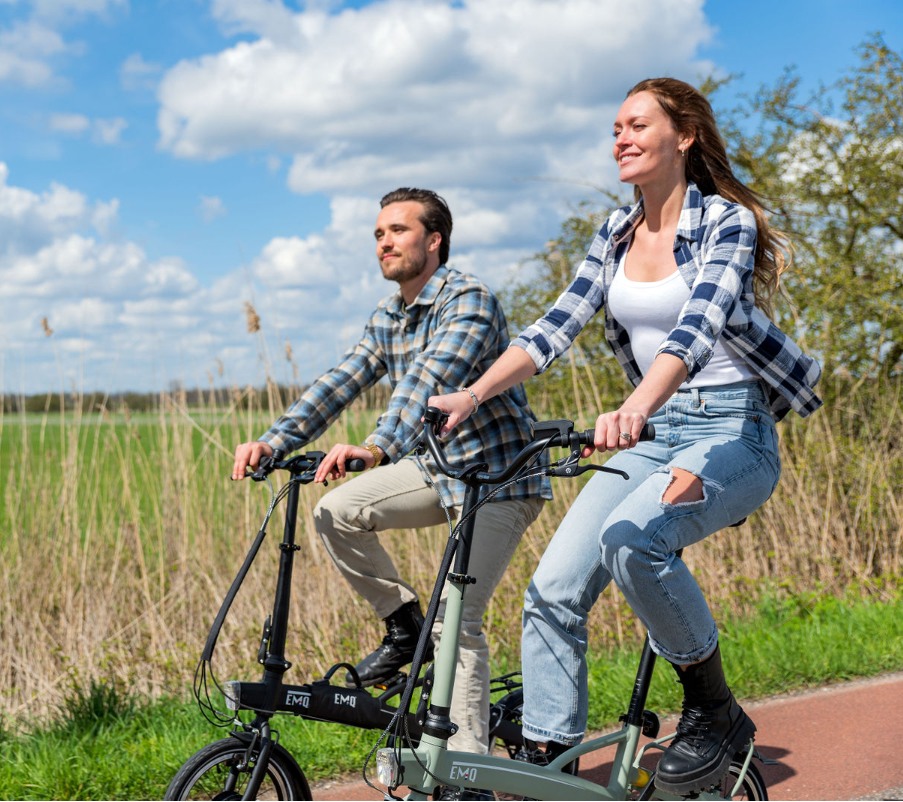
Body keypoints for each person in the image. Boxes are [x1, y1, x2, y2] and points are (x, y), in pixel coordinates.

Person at [428, 78, 822, 793]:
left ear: (685, 135)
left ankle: (713, 710)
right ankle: (551, 771)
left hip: (732, 432)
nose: (621, 137)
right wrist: (474, 392)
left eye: (637, 123)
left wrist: (635, 404)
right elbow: (554, 326)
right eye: (614, 127)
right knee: (551, 589)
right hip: (656, 431)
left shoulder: (723, 222)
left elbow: (697, 327)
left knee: (634, 538)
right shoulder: (613, 232)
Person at [232, 187, 551, 755]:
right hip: (437, 470)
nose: (385, 242)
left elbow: (428, 381)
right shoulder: (389, 315)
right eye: (379, 234)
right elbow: (343, 378)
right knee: (339, 510)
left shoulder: (468, 299)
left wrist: (377, 446)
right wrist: (274, 441)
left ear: (434, 240)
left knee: (460, 620)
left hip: (499, 477)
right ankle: (406, 628)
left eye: (399, 231)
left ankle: (467, 770)